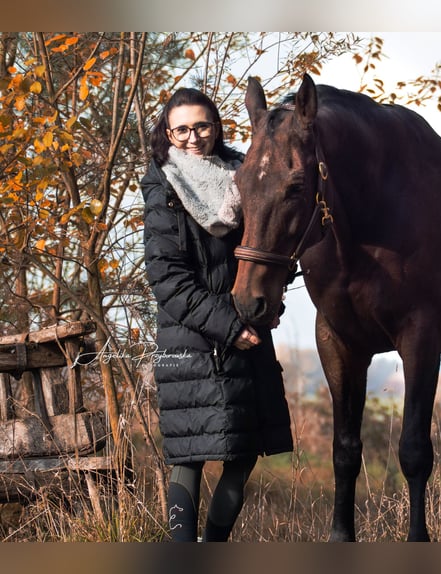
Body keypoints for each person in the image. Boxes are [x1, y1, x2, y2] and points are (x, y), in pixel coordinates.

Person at [141, 87, 293, 542]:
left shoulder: (244, 174)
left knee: (242, 452)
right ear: (168, 133)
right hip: (191, 338)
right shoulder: (164, 185)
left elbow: (266, 250)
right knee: (189, 454)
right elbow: (167, 279)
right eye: (182, 128)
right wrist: (229, 326)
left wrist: (270, 305)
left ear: (217, 126)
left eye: (202, 126)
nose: (193, 137)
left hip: (246, 331)